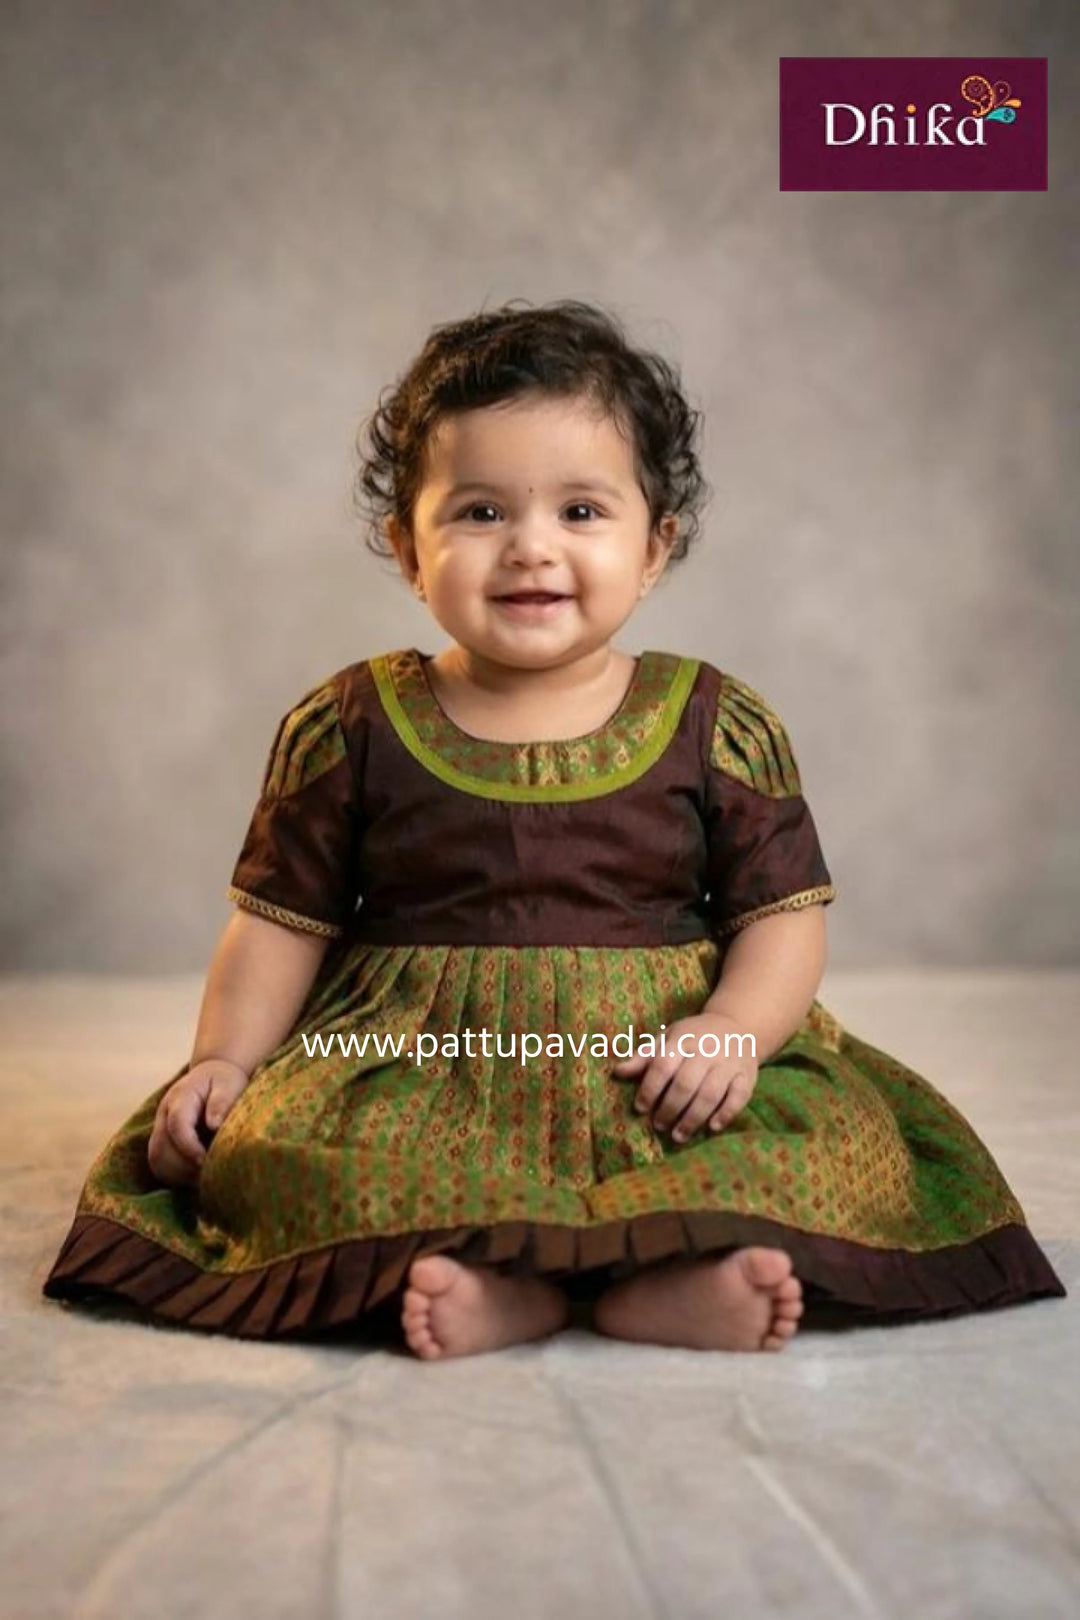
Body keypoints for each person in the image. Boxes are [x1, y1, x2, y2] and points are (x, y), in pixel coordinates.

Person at [42, 298, 1066, 1358]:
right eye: (481, 513)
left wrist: (732, 1035)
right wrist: (224, 1061)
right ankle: (500, 1290)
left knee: (820, 1138)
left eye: (581, 512)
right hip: (423, 1059)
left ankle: (672, 1281)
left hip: (655, 1061)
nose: (532, 548)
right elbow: (279, 925)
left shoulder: (716, 720)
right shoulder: (351, 723)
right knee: (292, 1151)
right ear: (407, 548)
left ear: (655, 546)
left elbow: (782, 921)